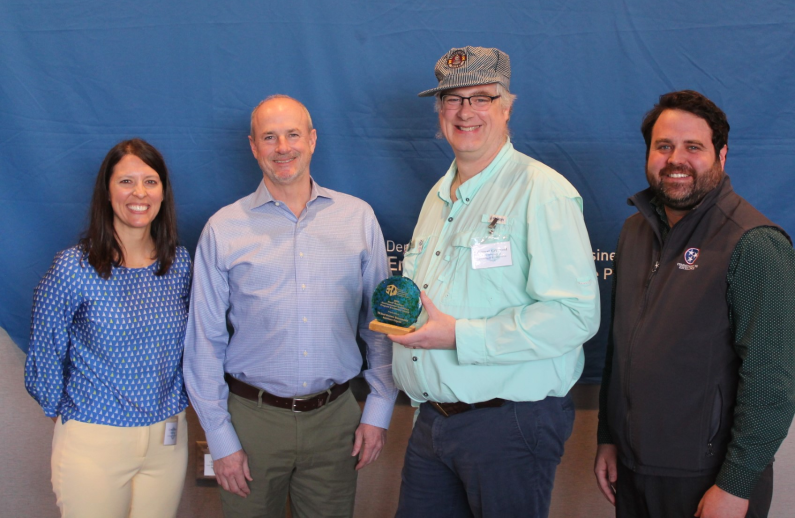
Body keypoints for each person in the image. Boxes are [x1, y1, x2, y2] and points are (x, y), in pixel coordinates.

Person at [390, 46, 601, 517]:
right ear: (439, 112)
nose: (465, 112)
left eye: (481, 98)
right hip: (433, 422)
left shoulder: (542, 191)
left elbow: (575, 316)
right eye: (452, 99)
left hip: (508, 426)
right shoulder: (437, 197)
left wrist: (460, 336)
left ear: (506, 108)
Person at [183, 94, 397, 518]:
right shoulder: (223, 229)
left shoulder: (357, 218)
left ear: (312, 140)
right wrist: (220, 438)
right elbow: (204, 340)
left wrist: (379, 410)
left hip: (336, 421)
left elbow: (380, 325)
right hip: (251, 422)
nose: (283, 147)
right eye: (269, 137)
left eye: (293, 135)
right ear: (253, 146)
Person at [594, 90, 795, 518]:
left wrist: (735, 485)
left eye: (693, 147)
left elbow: (772, 385)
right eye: (664, 146)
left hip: (708, 479)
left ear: (721, 155)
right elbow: (620, 346)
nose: (676, 159)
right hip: (632, 470)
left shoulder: (755, 245)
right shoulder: (633, 232)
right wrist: (608, 436)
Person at [25, 139, 191, 518]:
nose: (139, 193)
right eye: (126, 181)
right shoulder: (74, 268)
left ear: (163, 192)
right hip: (95, 440)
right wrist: (68, 416)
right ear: (107, 191)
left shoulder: (179, 265)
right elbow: (45, 348)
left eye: (150, 182)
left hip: (167, 439)